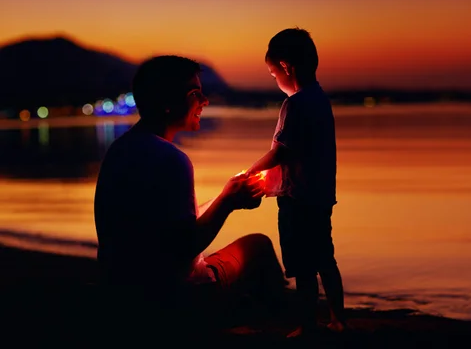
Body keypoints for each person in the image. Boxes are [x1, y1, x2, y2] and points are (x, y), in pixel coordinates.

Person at [93, 55, 287, 333]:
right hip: (171, 301)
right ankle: (286, 328)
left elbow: (162, 226)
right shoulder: (171, 159)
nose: (204, 101)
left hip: (119, 293)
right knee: (257, 247)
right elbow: (184, 247)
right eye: (195, 93)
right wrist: (228, 202)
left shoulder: (119, 151)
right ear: (167, 104)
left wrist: (225, 194)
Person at [244, 28, 346, 337]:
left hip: (298, 197)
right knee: (324, 257)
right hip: (321, 195)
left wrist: (248, 173)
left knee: (302, 265)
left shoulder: (296, 105)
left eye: (274, 73)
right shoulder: (320, 100)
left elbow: (280, 152)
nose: (275, 80)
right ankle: (338, 318)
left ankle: (307, 324)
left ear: (287, 67)